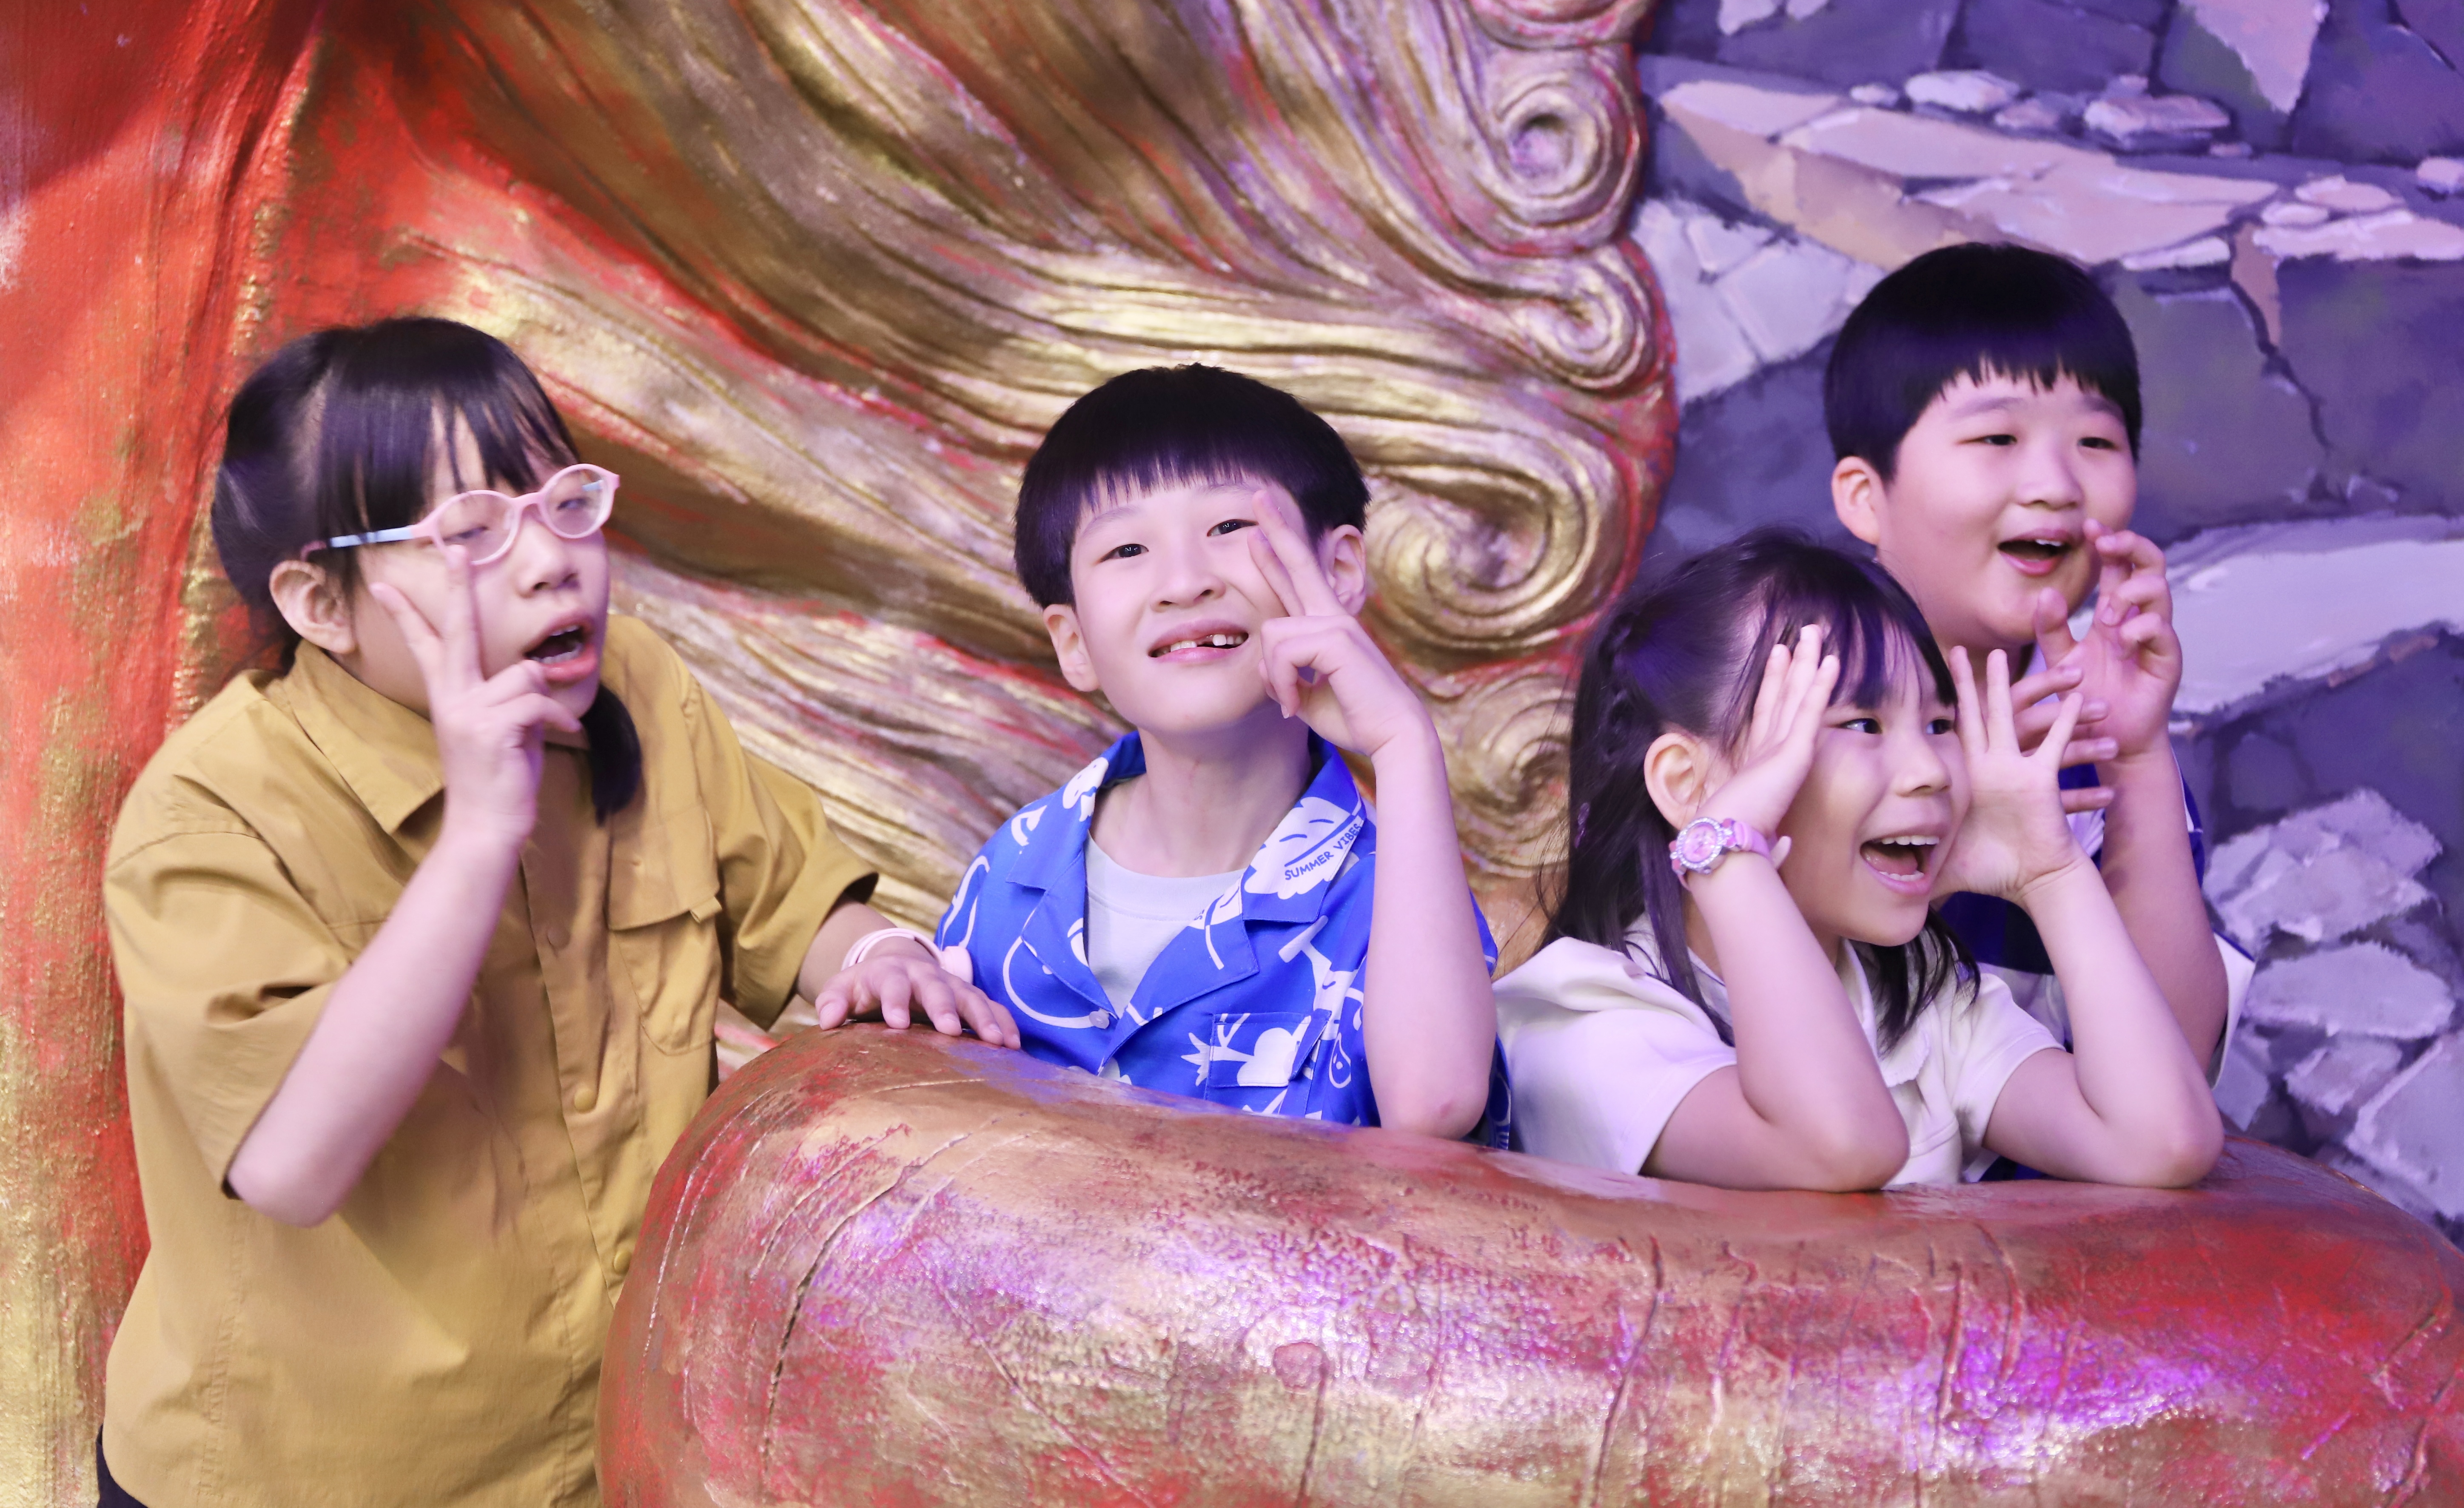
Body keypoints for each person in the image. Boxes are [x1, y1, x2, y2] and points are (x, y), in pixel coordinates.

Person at [98, 319, 1015, 1508]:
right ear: (322, 601)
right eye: (473, 531)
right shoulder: (211, 815)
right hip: (317, 1477)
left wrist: (886, 955)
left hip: (615, 1452)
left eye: (566, 503)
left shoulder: (637, 685)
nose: (551, 561)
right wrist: (481, 832)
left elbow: (795, 908)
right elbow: (293, 1161)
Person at [1496, 531, 2223, 1190]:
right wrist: (1726, 852)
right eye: (1862, 723)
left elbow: (2160, 1142)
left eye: (1939, 723)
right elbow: (1837, 1145)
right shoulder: (1580, 1017)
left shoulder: (1923, 999)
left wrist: (2050, 873)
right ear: (1686, 783)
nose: (1930, 771)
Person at [920, 365, 1498, 1138]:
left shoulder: (1396, 890)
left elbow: (1434, 1109)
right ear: (1073, 641)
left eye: (1227, 528)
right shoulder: (1014, 871)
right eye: (1127, 548)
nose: (1183, 583)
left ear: (1337, 571)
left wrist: (1402, 745)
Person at [1824, 242, 2249, 1071]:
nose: (2054, 484)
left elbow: (2179, 1066)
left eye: (2095, 441)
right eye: (1996, 437)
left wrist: (2135, 758)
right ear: (1866, 498)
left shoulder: (2092, 753)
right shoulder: (1784, 708)